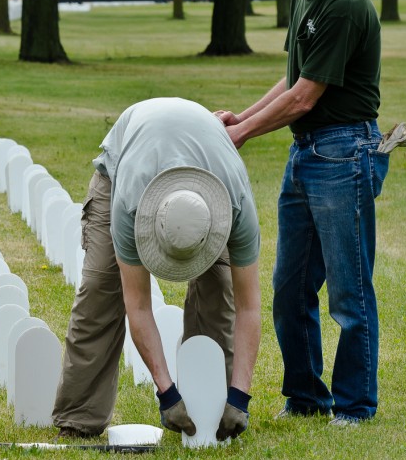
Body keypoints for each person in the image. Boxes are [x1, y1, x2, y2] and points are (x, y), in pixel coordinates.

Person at [216, 0, 386, 427]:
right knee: (289, 289)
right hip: (306, 153)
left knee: (348, 293)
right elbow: (292, 77)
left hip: (343, 154)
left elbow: (306, 96)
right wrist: (236, 119)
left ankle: (355, 407)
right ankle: (305, 397)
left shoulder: (344, 4)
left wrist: (242, 134)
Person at [53, 97, 261, 442]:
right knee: (101, 293)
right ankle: (78, 418)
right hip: (125, 167)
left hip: (208, 169)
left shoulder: (236, 204)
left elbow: (249, 306)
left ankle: (218, 413)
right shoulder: (129, 203)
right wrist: (166, 392)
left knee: (217, 295)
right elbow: (138, 304)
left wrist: (241, 394)